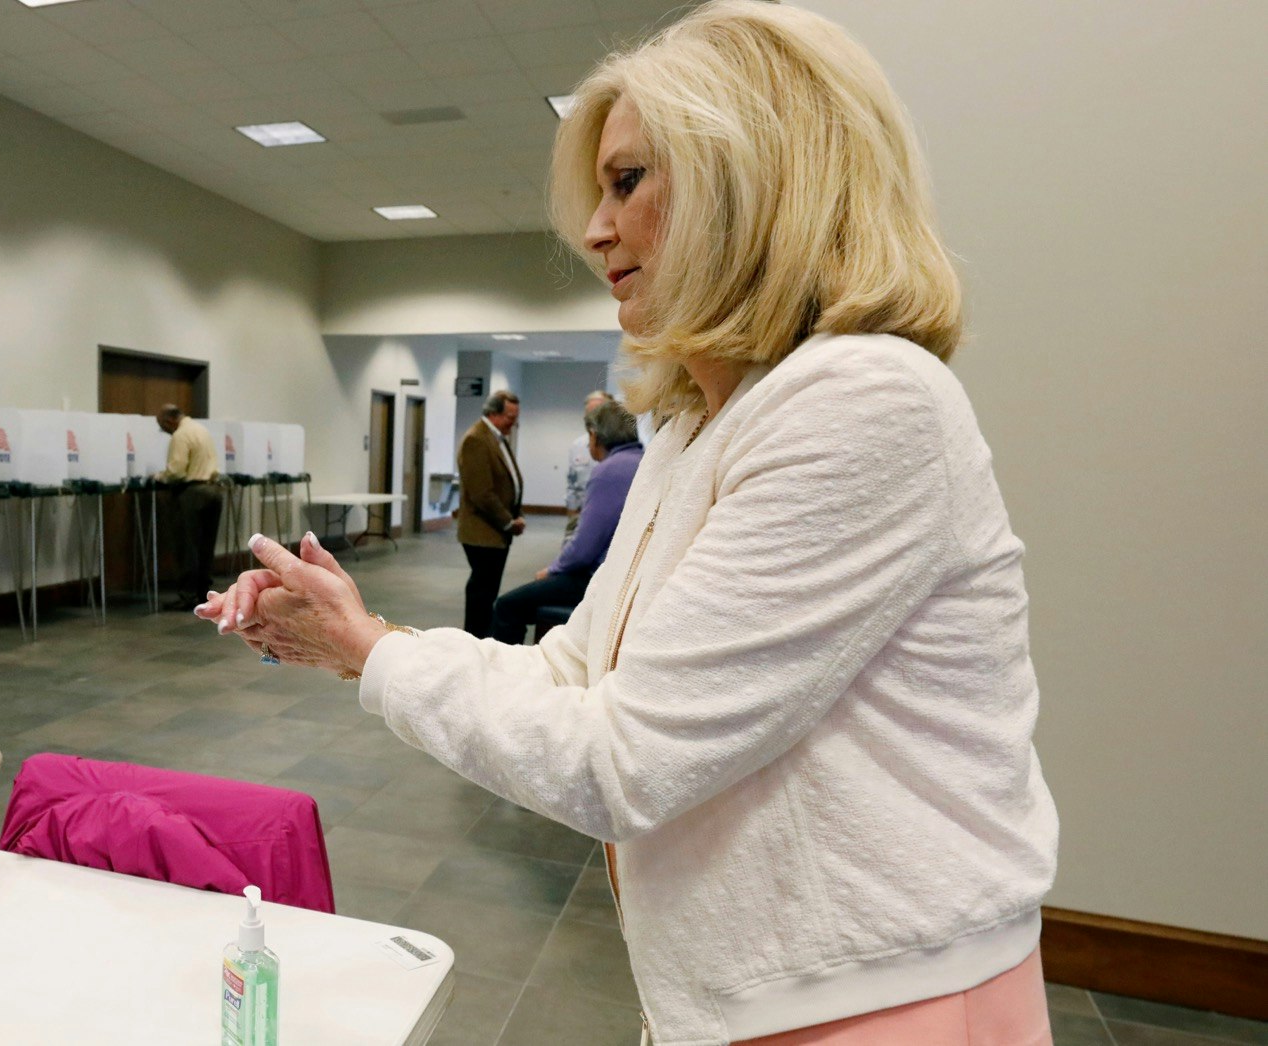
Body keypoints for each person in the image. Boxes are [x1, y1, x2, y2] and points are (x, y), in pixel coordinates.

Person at [196, 4, 1058, 1044]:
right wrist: (362, 637)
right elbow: (575, 673)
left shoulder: (863, 401)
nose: (596, 229)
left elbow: (624, 758)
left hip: (874, 999)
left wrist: (370, 652)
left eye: (628, 181)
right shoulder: (697, 426)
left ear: (755, 181)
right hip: (740, 992)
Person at [493, 400, 642, 644]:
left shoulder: (609, 471)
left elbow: (584, 547)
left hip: (598, 577)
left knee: (507, 606)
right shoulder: (641, 460)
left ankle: (506, 675)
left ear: (594, 436)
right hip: (626, 574)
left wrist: (552, 570)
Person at [454, 390, 523, 638]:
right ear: (493, 413)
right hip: (482, 532)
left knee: (488, 589)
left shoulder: (496, 437)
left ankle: (481, 635)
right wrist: (508, 522)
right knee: (482, 591)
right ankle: (474, 637)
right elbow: (481, 493)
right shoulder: (476, 439)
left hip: (497, 531)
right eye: (509, 416)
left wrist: (517, 513)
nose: (513, 422)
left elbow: (508, 481)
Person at [154, 405, 220, 610]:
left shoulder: (181, 435)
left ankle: (187, 596)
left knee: (187, 545)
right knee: (206, 546)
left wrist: (158, 477)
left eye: (162, 425)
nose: (164, 430)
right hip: (214, 491)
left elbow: (176, 470)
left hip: (193, 493)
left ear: (170, 420)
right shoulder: (201, 430)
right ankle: (203, 592)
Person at [561, 389, 612, 542]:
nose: (592, 419)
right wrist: (572, 515)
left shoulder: (618, 444)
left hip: (609, 517)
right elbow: (572, 482)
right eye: (589, 414)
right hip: (581, 515)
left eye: (597, 413)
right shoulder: (578, 446)